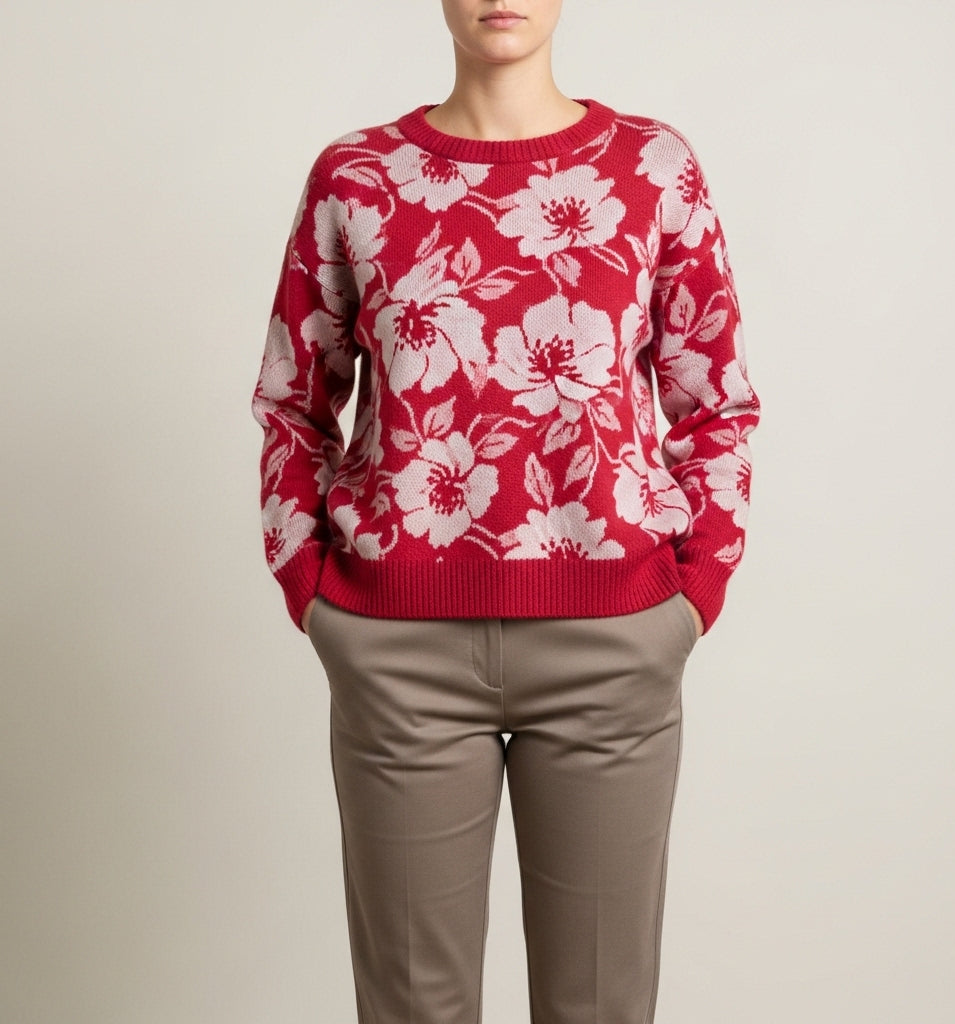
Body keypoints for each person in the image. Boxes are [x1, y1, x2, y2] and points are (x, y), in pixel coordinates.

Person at [251, 1, 759, 1020]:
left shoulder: (651, 168)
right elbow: (293, 401)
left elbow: (716, 400)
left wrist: (693, 588)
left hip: (612, 645)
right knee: (412, 1009)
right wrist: (312, 585)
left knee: (599, 1007)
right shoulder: (356, 176)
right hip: (399, 653)